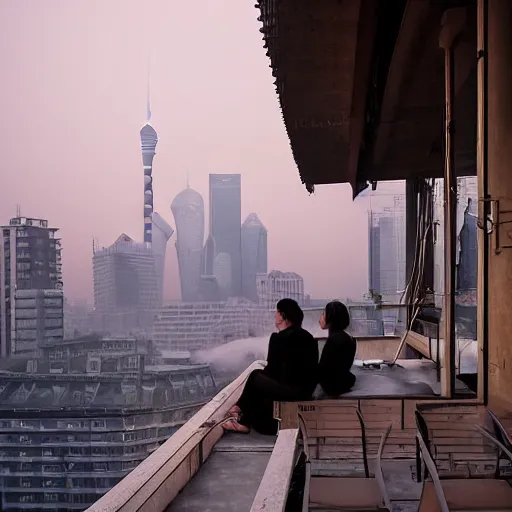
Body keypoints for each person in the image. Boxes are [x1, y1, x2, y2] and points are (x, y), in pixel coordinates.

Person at [223, 298, 319, 435]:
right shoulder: (309, 338)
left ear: (282, 316)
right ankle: (239, 409)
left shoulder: (278, 338)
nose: (275, 315)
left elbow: (272, 370)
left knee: (255, 376)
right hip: (306, 391)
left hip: (291, 392)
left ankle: (242, 420)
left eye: (277, 312)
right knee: (258, 377)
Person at [318, 301, 357, 396]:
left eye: (323, 314)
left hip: (331, 387)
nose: (320, 318)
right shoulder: (349, 338)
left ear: (331, 317)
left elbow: (323, 370)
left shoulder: (334, 340)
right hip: (344, 383)